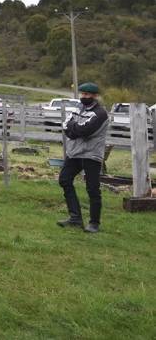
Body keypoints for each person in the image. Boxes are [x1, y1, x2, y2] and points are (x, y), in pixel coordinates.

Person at [57, 82, 109, 233]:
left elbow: (87, 130)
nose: (84, 97)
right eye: (82, 94)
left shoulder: (100, 114)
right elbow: (66, 125)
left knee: (92, 188)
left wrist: (74, 130)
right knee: (64, 180)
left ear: (95, 96)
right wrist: (75, 130)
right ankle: (75, 218)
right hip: (74, 153)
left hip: (91, 154)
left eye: (87, 94)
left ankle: (94, 223)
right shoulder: (77, 108)